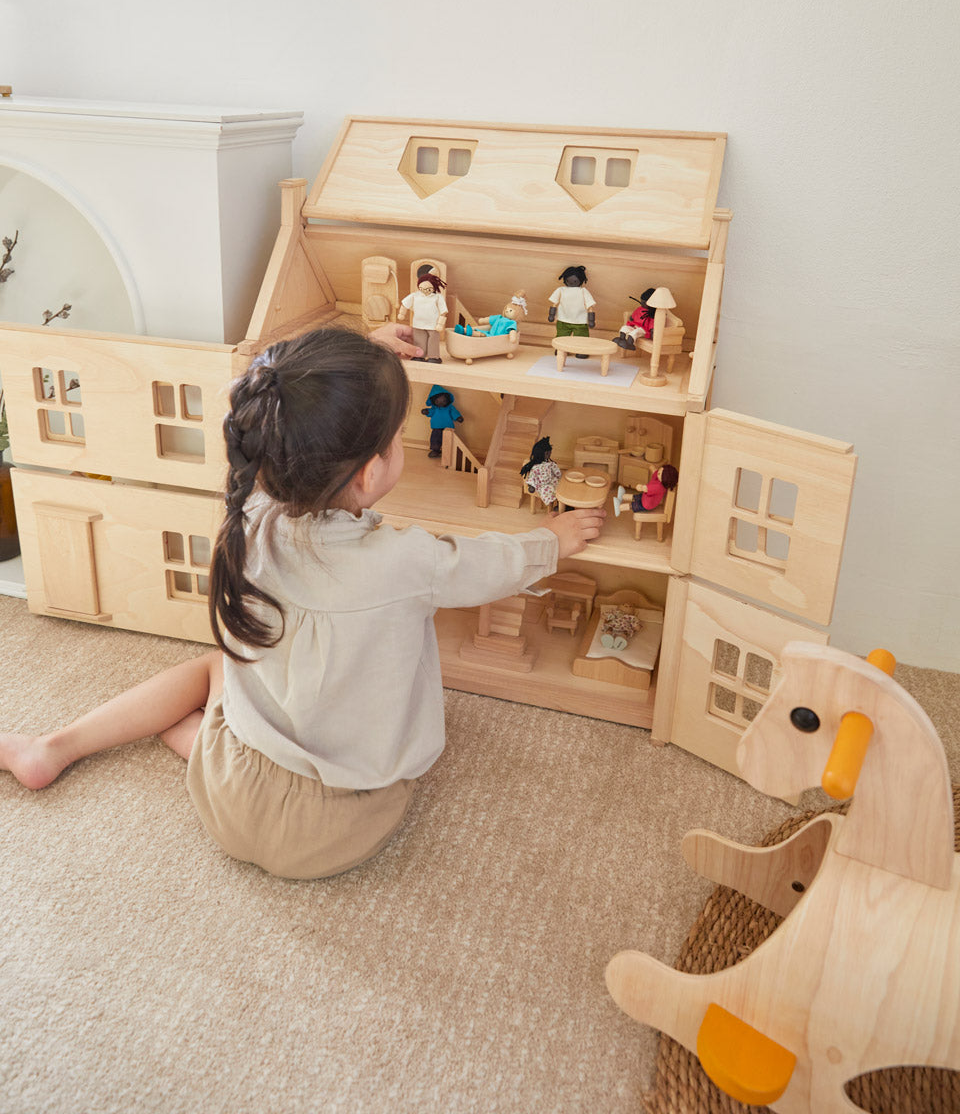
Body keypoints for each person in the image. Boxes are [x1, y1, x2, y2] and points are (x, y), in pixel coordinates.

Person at [0, 326, 604, 880]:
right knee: (334, 718)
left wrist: (343, 369)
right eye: (397, 439)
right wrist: (553, 540)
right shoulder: (409, 562)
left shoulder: (252, 511)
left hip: (225, 799)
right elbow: (488, 567)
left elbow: (247, 400)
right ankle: (194, 739)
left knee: (214, 668)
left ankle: (53, 748)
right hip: (339, 828)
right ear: (369, 473)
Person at [399, 272, 447, 362]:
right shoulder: (415, 295)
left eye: (428, 289)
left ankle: (433, 357)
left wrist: (440, 323)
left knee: (433, 340)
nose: (425, 291)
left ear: (433, 288)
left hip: (433, 324)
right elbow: (405, 304)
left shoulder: (437, 297)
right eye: (422, 288)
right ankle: (419, 355)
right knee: (418, 340)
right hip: (418, 323)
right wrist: (402, 313)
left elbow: (443, 311)